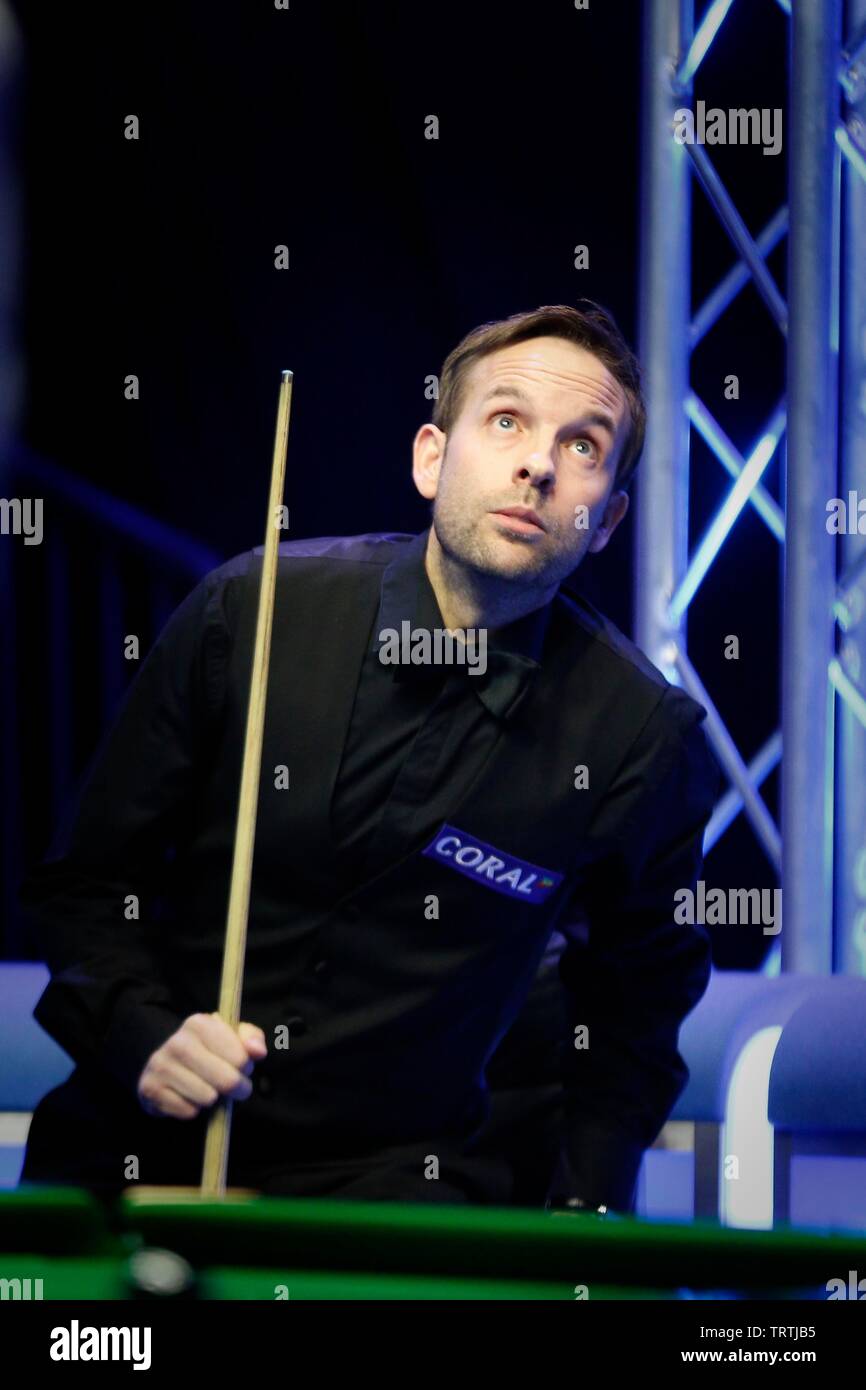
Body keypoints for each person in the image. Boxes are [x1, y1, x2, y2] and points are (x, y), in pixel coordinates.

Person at [19, 301, 722, 1214]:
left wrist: (586, 1219)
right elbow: (80, 885)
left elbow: (636, 1010)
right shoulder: (254, 609)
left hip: (396, 1193)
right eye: (506, 420)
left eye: (584, 446)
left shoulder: (640, 736)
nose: (538, 464)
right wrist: (141, 1032)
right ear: (433, 456)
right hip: (136, 1153)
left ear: (609, 518)